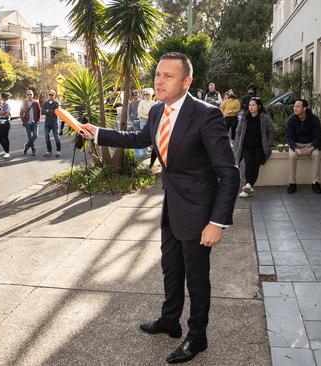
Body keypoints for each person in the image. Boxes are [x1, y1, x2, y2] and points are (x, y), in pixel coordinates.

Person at [79, 52, 239, 364]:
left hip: (199, 213)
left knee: (196, 279)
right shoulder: (155, 113)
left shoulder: (206, 115)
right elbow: (137, 138)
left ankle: (197, 337)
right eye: (157, 74)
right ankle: (170, 321)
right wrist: (96, 132)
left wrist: (217, 222)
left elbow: (229, 173)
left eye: (168, 75)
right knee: (170, 269)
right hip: (171, 208)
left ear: (187, 81)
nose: (159, 80)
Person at [233, 97, 276, 198]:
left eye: (253, 105)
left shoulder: (264, 118)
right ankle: (249, 184)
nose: (251, 107)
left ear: (259, 106)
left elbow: (272, 131)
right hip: (246, 146)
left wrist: (269, 144)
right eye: (250, 105)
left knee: (255, 164)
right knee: (248, 163)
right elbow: (238, 132)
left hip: (259, 147)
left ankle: (248, 187)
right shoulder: (244, 118)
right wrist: (237, 144)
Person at [286, 99, 321, 194]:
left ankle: (315, 183)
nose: (295, 108)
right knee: (292, 156)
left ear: (305, 108)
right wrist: (295, 149)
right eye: (294, 106)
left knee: (316, 154)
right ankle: (292, 183)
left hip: (310, 144)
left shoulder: (314, 119)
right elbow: (289, 138)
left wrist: (312, 148)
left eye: (298, 106)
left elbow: (318, 138)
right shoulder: (291, 120)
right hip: (296, 144)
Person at [136, 88, 156, 161]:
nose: (145, 96)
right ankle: (144, 153)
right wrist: (147, 114)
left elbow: (153, 113)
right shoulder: (141, 102)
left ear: (151, 95)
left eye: (147, 94)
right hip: (143, 121)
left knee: (151, 136)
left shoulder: (154, 103)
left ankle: (154, 151)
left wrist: (146, 114)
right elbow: (139, 112)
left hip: (151, 121)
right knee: (144, 136)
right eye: (144, 94)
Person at [20, 89, 40, 156]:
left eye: (30, 94)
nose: (29, 96)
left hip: (34, 122)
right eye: (28, 94)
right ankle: (33, 149)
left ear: (33, 95)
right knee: (29, 137)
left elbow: (39, 112)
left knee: (35, 135)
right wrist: (24, 121)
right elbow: (21, 113)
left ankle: (27, 145)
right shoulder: (23, 103)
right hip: (27, 123)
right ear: (26, 95)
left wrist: (38, 120)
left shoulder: (36, 103)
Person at [42, 90, 61, 157]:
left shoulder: (56, 103)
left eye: (52, 95)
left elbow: (56, 112)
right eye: (49, 94)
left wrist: (48, 111)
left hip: (54, 123)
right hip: (47, 123)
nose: (50, 96)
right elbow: (43, 112)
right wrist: (51, 112)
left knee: (56, 137)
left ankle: (58, 151)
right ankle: (49, 151)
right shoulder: (45, 103)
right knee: (46, 137)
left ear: (54, 95)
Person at [0, 92, 12, 158]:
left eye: (0, 96)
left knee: (5, 138)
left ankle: (7, 152)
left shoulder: (7, 105)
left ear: (2, 97)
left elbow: (4, 113)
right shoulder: (1, 104)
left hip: (5, 123)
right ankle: (4, 150)